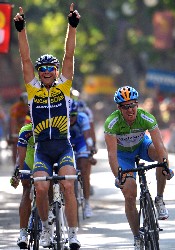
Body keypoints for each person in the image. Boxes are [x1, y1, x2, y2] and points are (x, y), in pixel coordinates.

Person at [14, 4, 81, 249]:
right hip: (42, 148)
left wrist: (71, 27)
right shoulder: (33, 90)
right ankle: (45, 228)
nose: (45, 72)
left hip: (63, 146)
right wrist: (21, 30)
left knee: (68, 184)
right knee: (40, 187)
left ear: (56, 71)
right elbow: (25, 58)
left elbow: (69, 56)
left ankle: (73, 233)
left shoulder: (64, 87)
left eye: (50, 69)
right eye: (41, 70)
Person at [104, 86, 173, 250]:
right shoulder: (111, 123)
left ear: (137, 104)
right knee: (129, 192)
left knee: (160, 157)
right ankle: (137, 237)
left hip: (142, 147)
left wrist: (165, 164)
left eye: (133, 105)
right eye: (125, 106)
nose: (130, 109)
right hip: (123, 156)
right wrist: (118, 175)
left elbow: (160, 145)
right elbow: (112, 155)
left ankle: (160, 199)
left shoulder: (146, 117)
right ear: (119, 108)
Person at [10, 122, 34, 249]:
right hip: (29, 161)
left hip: (46, 161)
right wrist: (16, 174)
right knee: (26, 190)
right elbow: (20, 157)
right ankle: (23, 233)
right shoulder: (26, 130)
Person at [70, 101, 94, 218]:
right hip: (67, 144)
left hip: (81, 143)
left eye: (73, 115)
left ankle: (87, 203)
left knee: (84, 170)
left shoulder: (83, 117)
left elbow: (87, 137)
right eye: (68, 116)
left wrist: (90, 152)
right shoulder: (60, 120)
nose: (70, 118)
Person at [8, 92, 29, 164]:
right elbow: (12, 122)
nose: (25, 107)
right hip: (17, 130)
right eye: (23, 105)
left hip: (28, 129)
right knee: (15, 144)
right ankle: (15, 165)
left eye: (26, 105)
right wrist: (13, 134)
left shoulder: (32, 106)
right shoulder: (15, 108)